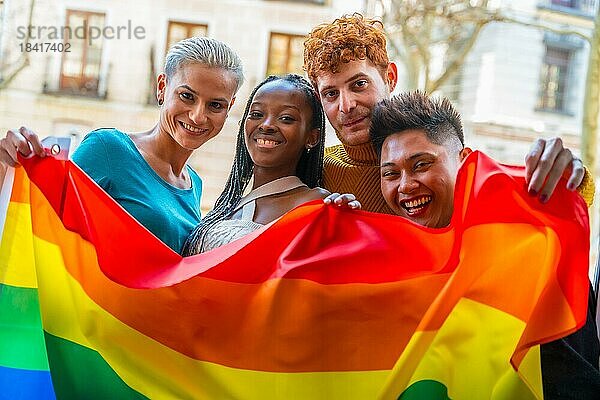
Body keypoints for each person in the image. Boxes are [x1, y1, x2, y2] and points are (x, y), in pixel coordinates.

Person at [370, 90, 600, 399]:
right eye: (391, 174)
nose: (405, 185)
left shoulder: (532, 258)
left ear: (465, 161)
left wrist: (568, 184)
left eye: (421, 165)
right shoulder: (389, 272)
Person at [303, 13, 594, 212]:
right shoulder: (312, 172)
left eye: (359, 84)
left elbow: (523, 198)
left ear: (390, 77)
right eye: (331, 93)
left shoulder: (440, 157)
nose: (346, 105)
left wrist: (569, 175)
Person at [0, 37, 244, 253]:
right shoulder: (108, 149)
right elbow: (44, 224)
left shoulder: (195, 184)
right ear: (162, 88)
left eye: (215, 105)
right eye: (187, 96)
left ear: (229, 108)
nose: (198, 116)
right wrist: (7, 169)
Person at [183, 74, 359, 255]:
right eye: (257, 114)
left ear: (312, 137)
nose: (266, 125)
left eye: (286, 118)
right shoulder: (228, 206)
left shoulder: (317, 205)